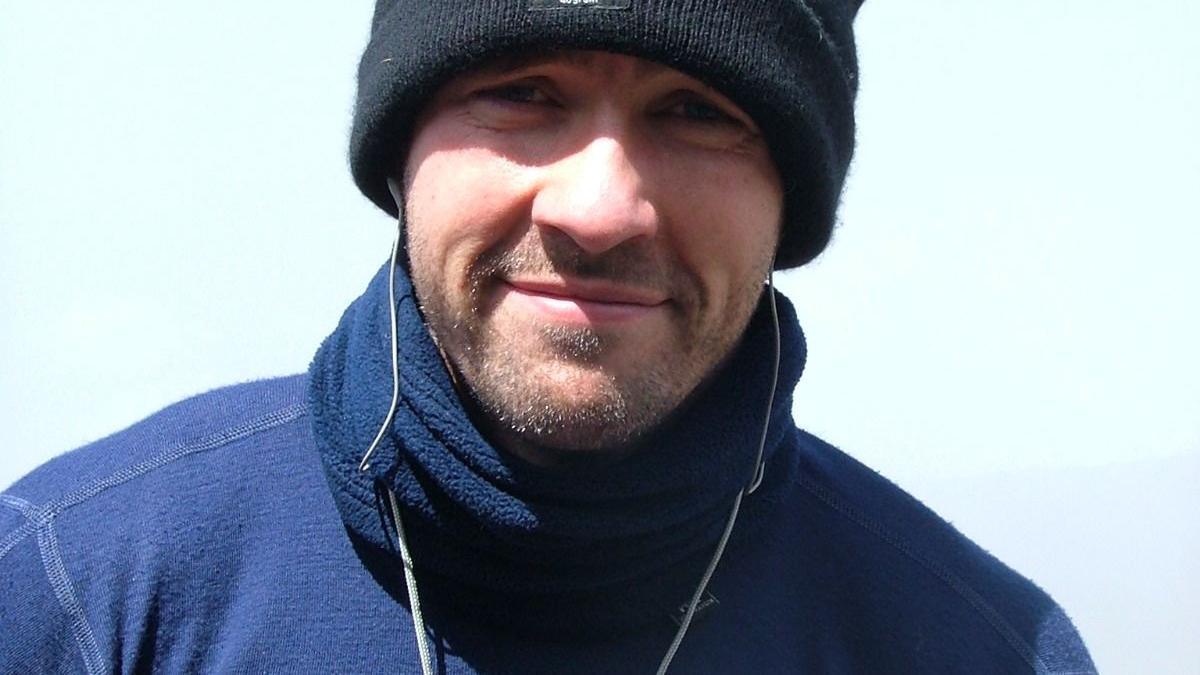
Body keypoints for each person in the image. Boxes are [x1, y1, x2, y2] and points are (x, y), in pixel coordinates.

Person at [0, 1, 1096, 673]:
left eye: (699, 111)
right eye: (522, 92)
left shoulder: (983, 652)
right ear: (400, 154)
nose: (600, 204)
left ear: (793, 198)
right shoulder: (80, 599)